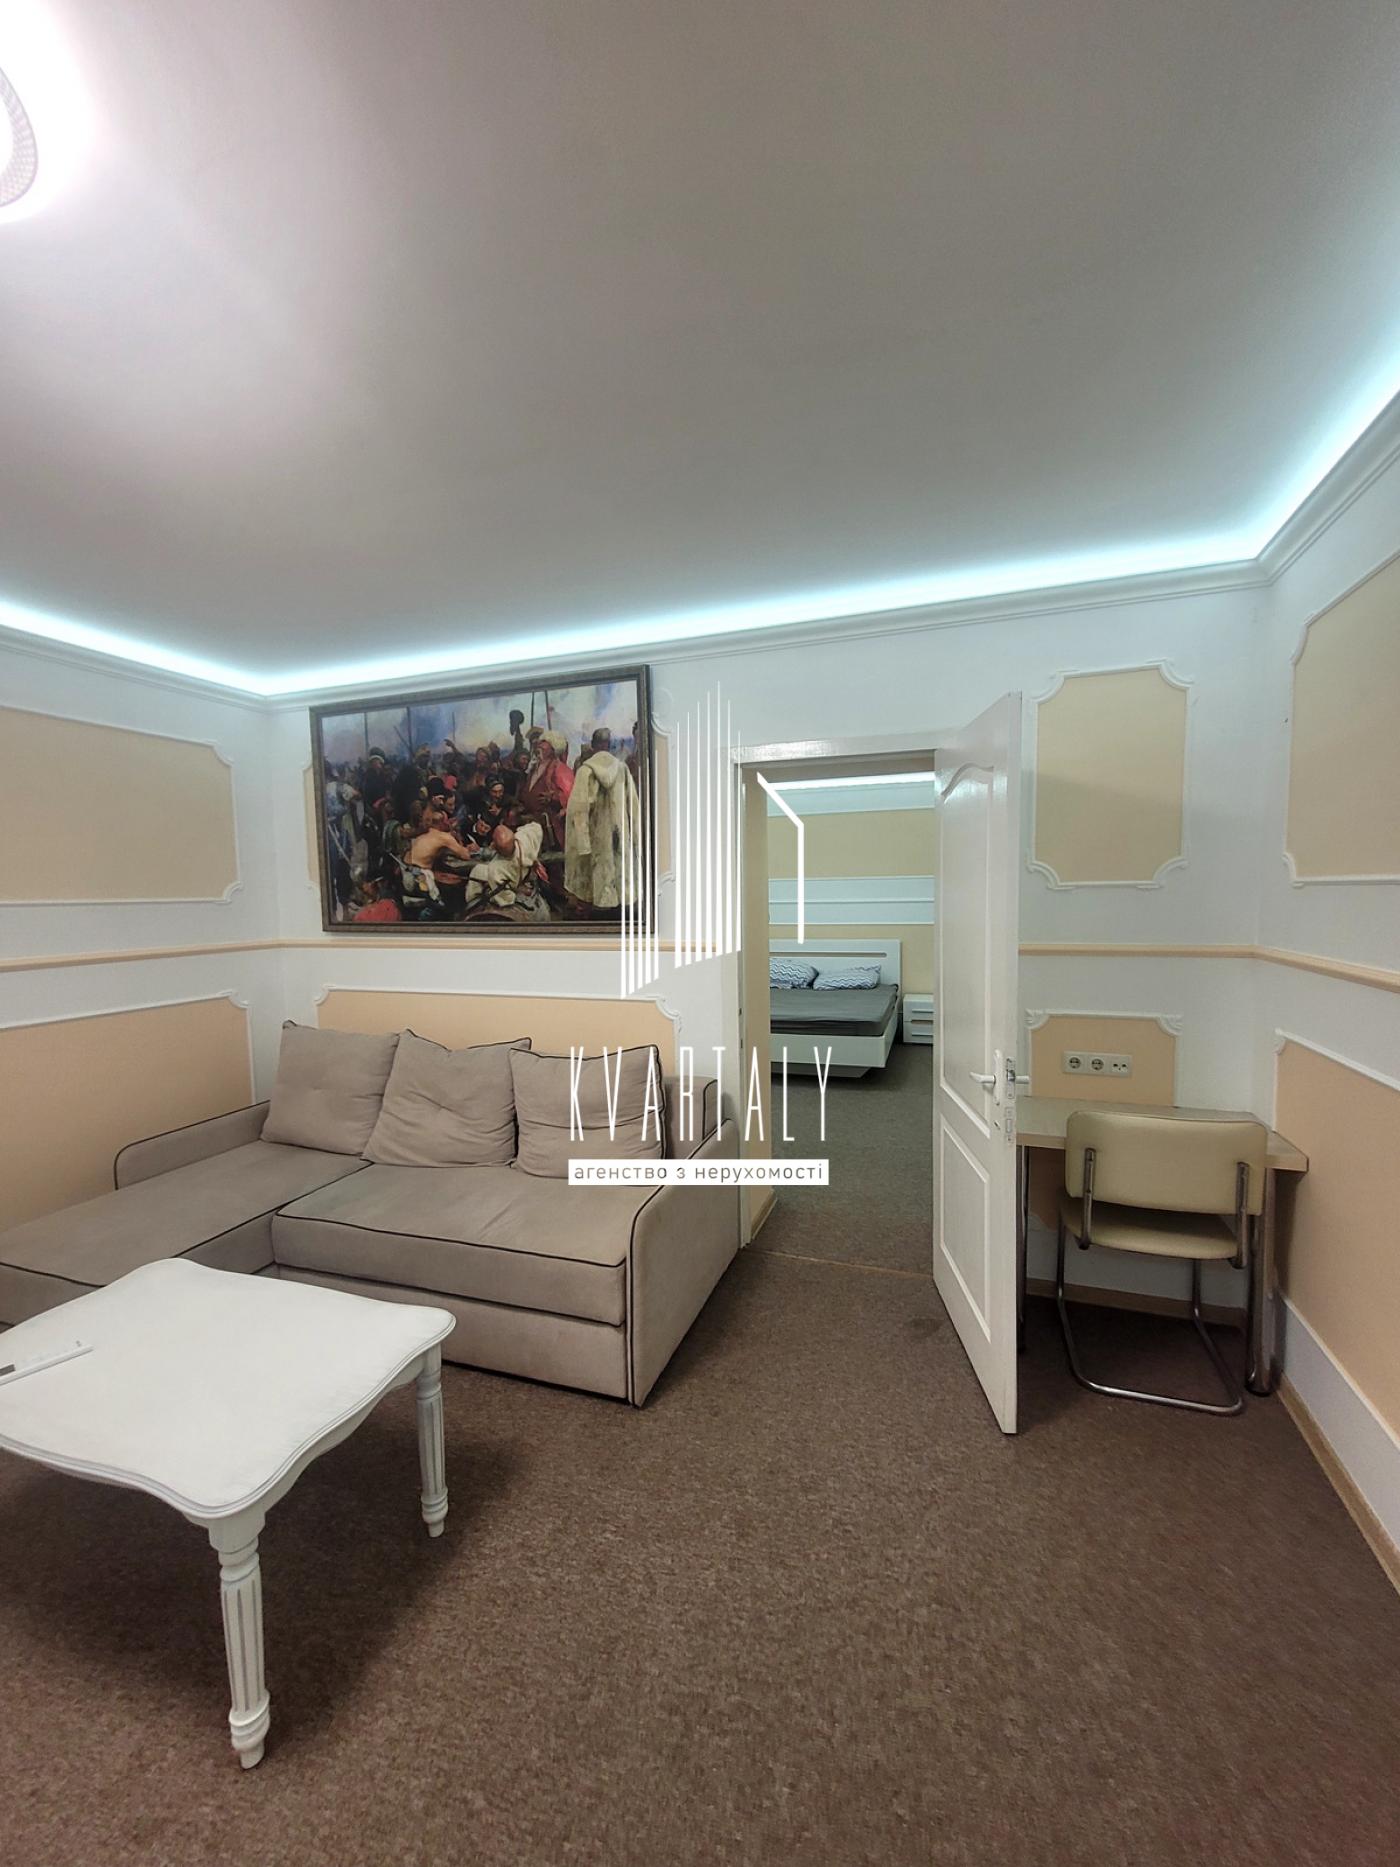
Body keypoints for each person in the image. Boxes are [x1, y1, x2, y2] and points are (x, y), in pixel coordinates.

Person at [564, 728, 641, 910]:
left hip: (596, 835)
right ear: (608, 745)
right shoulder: (622, 769)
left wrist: (583, 843)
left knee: (597, 877)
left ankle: (601, 912)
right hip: (620, 832)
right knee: (620, 871)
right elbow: (633, 806)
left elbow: (579, 810)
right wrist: (636, 836)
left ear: (593, 745)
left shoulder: (585, 771)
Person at [464, 818, 545, 913]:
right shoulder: (525, 838)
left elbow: (506, 899)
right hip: (523, 874)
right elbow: (536, 827)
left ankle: (473, 904)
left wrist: (490, 895)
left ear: (494, 846)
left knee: (477, 870)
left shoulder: (496, 870)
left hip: (514, 885)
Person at [521, 730, 574, 854]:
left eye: (545, 744)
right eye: (541, 743)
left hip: (550, 825)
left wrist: (553, 797)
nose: (540, 746)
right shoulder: (534, 768)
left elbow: (570, 795)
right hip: (532, 822)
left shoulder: (560, 768)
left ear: (553, 749)